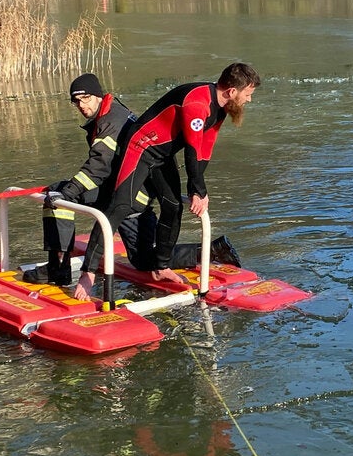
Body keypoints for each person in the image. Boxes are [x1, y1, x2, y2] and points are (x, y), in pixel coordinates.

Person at [73, 63, 260, 300]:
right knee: (120, 206)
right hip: (140, 146)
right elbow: (191, 150)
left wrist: (200, 191)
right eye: (248, 94)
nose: (249, 100)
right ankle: (87, 273)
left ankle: (161, 267)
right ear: (232, 91)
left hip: (161, 155)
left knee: (173, 206)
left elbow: (205, 148)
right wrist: (197, 189)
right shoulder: (198, 102)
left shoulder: (220, 108)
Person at [26, 73, 146, 285]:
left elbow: (98, 168)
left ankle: (209, 250)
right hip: (121, 190)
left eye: (86, 98)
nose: (81, 105)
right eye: (77, 101)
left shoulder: (110, 121)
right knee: (58, 193)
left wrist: (67, 193)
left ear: (99, 96)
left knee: (146, 261)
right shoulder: (112, 113)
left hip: (129, 198)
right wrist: (64, 193)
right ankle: (58, 267)